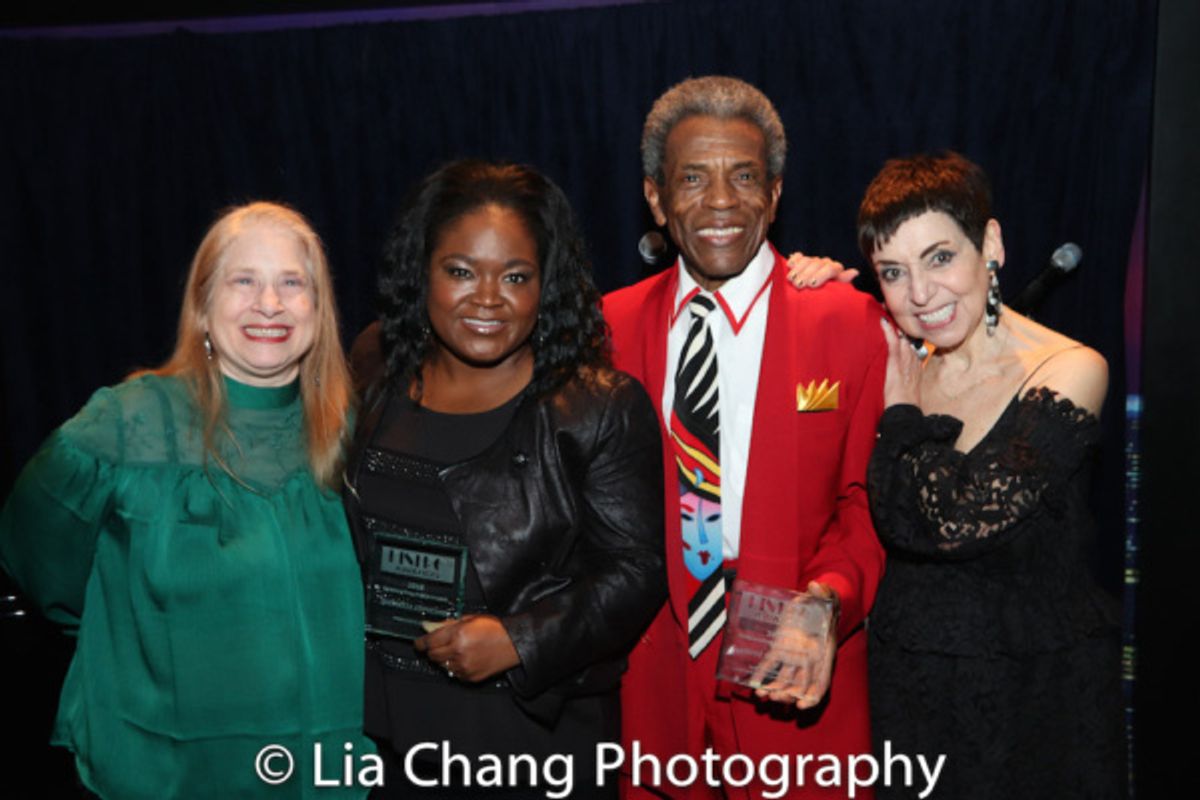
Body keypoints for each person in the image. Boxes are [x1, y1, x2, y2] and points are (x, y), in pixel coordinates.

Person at [0, 202, 372, 798]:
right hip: (168, 777)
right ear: (202, 305)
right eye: (243, 281)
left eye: (292, 284)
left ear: (319, 310)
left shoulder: (357, 433)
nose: (270, 305)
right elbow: (41, 563)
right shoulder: (122, 427)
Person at [343, 159, 666, 798]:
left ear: (546, 286)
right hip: (380, 736)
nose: (487, 299)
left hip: (525, 743)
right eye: (460, 271)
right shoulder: (375, 368)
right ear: (422, 273)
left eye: (515, 276)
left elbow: (638, 571)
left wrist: (519, 641)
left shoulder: (597, 406)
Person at [602, 76, 887, 799]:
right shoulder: (608, 328)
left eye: (745, 177)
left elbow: (869, 501)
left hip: (795, 665)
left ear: (777, 194)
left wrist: (827, 600)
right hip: (654, 671)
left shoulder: (848, 322)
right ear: (657, 198)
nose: (722, 202)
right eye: (692, 178)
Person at [853, 151, 1124, 798]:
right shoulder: (900, 361)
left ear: (991, 244)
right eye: (893, 272)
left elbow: (957, 517)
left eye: (940, 258)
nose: (920, 294)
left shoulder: (1070, 369)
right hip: (908, 691)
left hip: (1036, 697)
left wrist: (901, 414)